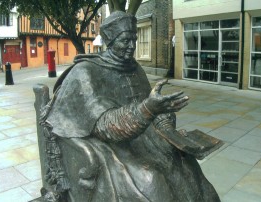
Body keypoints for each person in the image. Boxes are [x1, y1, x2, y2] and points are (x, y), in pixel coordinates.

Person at [42, 11, 221, 202]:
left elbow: (147, 104)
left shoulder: (134, 68)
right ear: (110, 41)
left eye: (133, 39)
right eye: (125, 40)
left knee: (184, 163)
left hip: (144, 137)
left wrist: (163, 112)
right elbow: (105, 126)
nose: (131, 46)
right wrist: (149, 109)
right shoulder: (86, 71)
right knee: (151, 178)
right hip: (110, 144)